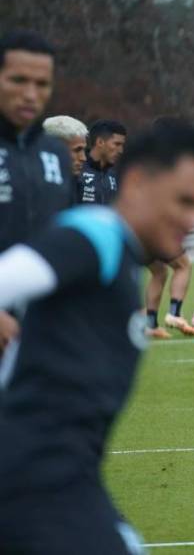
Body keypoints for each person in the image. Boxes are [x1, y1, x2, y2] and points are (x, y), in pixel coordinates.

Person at [0, 120, 194, 553]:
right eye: (184, 201)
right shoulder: (95, 236)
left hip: (68, 479)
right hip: (33, 482)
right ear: (137, 182)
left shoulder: (122, 255)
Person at [0, 30, 74, 353]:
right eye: (18, 80)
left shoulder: (55, 154)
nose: (30, 94)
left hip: (38, 339)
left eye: (42, 84)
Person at [77, 119, 126, 204]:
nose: (121, 150)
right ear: (100, 142)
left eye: (122, 145)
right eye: (117, 144)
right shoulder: (77, 170)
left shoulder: (115, 176)